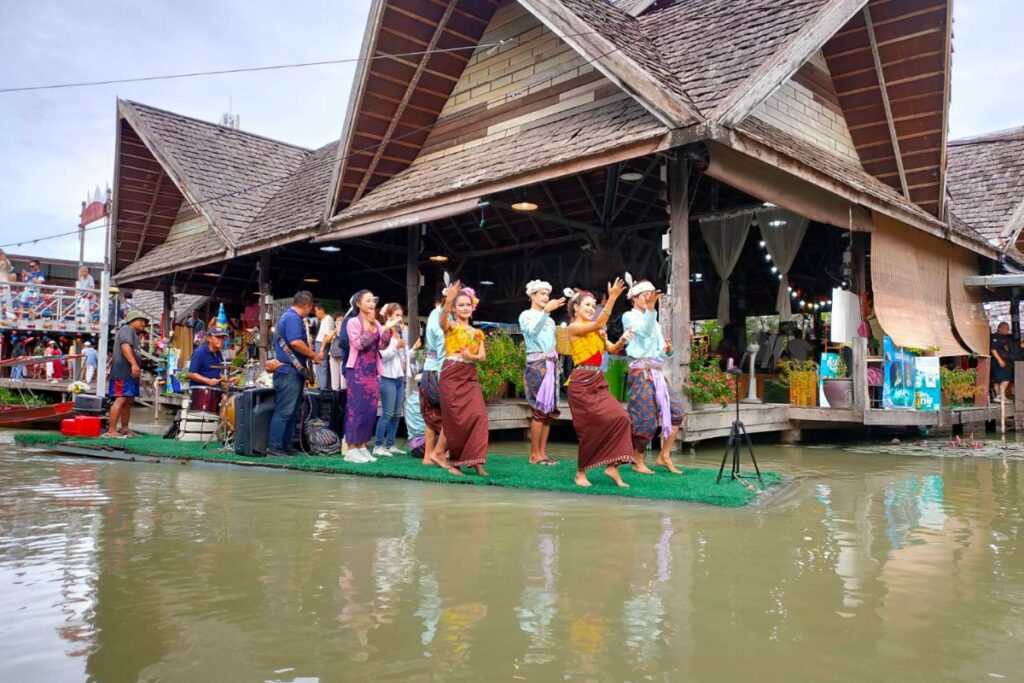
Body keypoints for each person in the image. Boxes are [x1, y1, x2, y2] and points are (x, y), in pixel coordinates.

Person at [565, 279, 634, 488]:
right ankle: (580, 472)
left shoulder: (596, 330)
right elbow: (598, 323)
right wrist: (612, 297)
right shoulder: (574, 327)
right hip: (581, 383)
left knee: (622, 418)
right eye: (587, 305)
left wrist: (623, 339)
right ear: (576, 307)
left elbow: (611, 349)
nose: (591, 308)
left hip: (597, 381)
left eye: (593, 305)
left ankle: (613, 466)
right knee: (589, 429)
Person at [622, 279, 684, 475]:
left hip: (656, 371)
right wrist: (651, 309)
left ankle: (664, 456)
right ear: (634, 298)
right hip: (640, 372)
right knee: (645, 419)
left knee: (677, 413)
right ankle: (637, 460)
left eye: (650, 295)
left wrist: (668, 350)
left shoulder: (654, 321)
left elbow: (661, 352)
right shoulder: (628, 317)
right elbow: (643, 332)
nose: (648, 298)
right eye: (645, 295)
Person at [438, 281, 489, 476]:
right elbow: (442, 321)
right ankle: (455, 463)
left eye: (468, 305)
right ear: (454, 309)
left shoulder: (477, 333)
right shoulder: (450, 326)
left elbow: (482, 357)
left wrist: (471, 357)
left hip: (469, 376)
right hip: (452, 374)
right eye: (461, 305)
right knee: (456, 419)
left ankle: (476, 460)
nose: (465, 308)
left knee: (479, 416)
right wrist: (449, 299)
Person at [343, 290, 399, 463]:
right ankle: (351, 449)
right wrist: (370, 328)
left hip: (372, 371)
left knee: (370, 410)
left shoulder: (377, 323)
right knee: (356, 409)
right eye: (367, 300)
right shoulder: (353, 322)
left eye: (373, 300)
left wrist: (387, 329)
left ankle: (362, 446)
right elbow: (359, 344)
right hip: (357, 370)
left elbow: (382, 346)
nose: (371, 303)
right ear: (358, 304)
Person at [268, 291, 321, 457]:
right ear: (306, 306)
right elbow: (296, 342)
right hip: (289, 371)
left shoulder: (285, 318)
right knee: (285, 411)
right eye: (310, 309)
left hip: (289, 370)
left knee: (291, 412)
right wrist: (313, 355)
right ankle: (275, 447)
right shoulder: (293, 319)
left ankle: (286, 445)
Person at [519, 280, 566, 466]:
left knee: (547, 411)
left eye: (547, 294)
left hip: (551, 365)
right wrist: (546, 312)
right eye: (542, 294)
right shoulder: (526, 315)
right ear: (532, 295)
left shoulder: (551, 321)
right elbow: (531, 332)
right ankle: (534, 455)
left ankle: (542, 453)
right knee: (538, 410)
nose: (546, 297)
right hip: (537, 364)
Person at [103, 310, 149, 438]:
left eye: (144, 321)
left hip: (130, 373)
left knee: (128, 399)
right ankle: (111, 430)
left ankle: (124, 428)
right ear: (131, 321)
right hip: (122, 371)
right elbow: (125, 346)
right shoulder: (126, 329)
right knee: (121, 398)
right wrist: (134, 363)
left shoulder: (133, 333)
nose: (143, 323)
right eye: (140, 320)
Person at [373, 303, 409, 457]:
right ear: (388, 316)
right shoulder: (383, 332)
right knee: (387, 414)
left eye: (401, 315)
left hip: (399, 377)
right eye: (397, 315)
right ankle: (378, 445)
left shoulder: (399, 332)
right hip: (387, 377)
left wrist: (412, 349)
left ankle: (391, 444)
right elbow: (382, 356)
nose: (400, 318)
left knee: (396, 414)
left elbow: (401, 356)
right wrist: (397, 347)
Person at [419, 292, 449, 469]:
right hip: (438, 370)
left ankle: (430, 454)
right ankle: (435, 453)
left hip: (432, 368)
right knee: (442, 412)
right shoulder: (440, 316)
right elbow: (442, 347)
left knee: (432, 413)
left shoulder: (435, 314)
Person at [313, 303, 335, 390]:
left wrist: (321, 349)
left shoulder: (327, 319)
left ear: (321, 310)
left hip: (322, 344)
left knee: (321, 366)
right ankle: (325, 387)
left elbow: (326, 336)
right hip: (322, 344)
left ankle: (323, 388)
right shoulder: (326, 320)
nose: (316, 313)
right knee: (322, 367)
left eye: (316, 311)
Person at [991, 322, 1016, 397]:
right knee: (1006, 378)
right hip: (999, 361)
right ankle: (1002, 396)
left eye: (1008, 329)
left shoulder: (1004, 338)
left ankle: (998, 397)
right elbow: (993, 350)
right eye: (1006, 329)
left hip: (1004, 361)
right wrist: (1000, 360)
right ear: (1000, 328)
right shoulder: (995, 337)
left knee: (998, 380)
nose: (1007, 331)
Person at [328, 311, 346, 390]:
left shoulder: (347, 330)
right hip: (333, 356)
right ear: (335, 321)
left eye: (342, 320)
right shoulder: (332, 331)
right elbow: (327, 340)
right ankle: (335, 393)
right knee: (334, 378)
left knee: (343, 379)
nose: (340, 322)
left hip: (344, 356)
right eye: (338, 320)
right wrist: (335, 332)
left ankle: (343, 394)